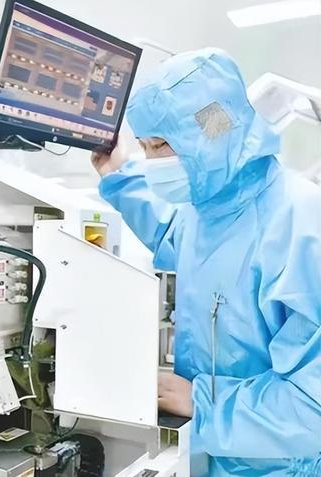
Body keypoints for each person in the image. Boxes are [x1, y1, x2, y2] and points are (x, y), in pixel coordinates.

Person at [92, 48, 321, 476]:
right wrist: (119, 176)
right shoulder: (206, 210)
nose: (152, 161)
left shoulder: (301, 226)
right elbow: (169, 230)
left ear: (210, 132)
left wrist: (203, 402)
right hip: (211, 453)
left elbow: (313, 406)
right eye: (143, 146)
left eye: (160, 145)